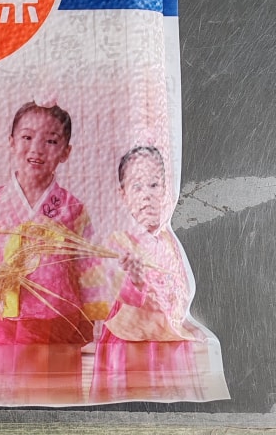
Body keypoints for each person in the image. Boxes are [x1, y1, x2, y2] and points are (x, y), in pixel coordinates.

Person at [0, 101, 106, 404]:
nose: (37, 149)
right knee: (5, 397)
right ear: (11, 142)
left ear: (66, 152)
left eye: (51, 141)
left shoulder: (72, 209)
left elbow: (89, 265)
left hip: (58, 318)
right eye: (27, 137)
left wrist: (92, 316)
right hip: (6, 319)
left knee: (55, 397)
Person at [90, 145, 209, 402]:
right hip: (128, 338)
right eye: (137, 187)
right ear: (122, 194)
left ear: (166, 190)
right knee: (126, 398)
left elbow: (178, 288)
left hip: (165, 334)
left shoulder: (167, 241)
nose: (147, 195)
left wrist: (183, 320)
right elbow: (109, 292)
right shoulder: (118, 241)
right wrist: (134, 281)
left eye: (154, 185)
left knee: (170, 397)